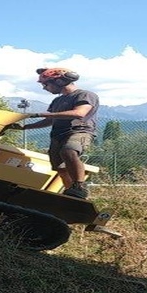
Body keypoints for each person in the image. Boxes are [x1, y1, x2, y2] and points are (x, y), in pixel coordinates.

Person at [13, 67, 99, 198]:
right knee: (60, 167)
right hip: (58, 135)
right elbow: (51, 119)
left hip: (79, 131)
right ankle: (72, 194)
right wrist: (25, 127)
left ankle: (80, 187)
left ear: (59, 82)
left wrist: (39, 114)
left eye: (46, 84)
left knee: (69, 151)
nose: (44, 88)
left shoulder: (85, 95)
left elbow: (79, 113)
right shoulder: (57, 101)